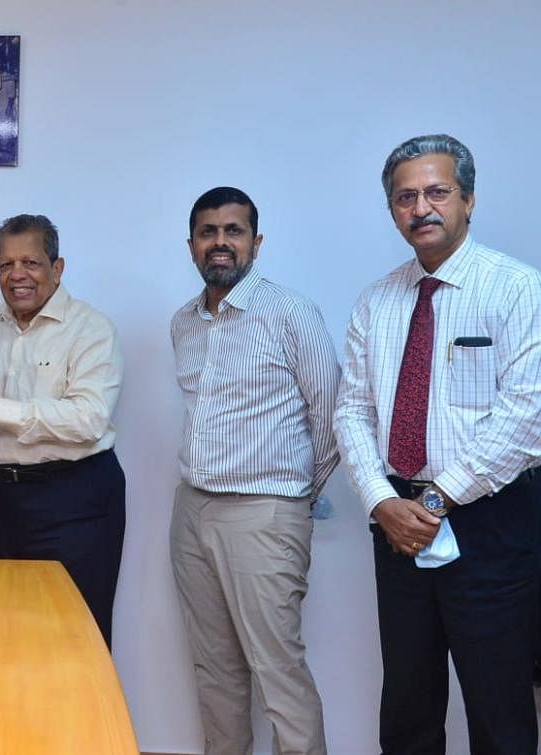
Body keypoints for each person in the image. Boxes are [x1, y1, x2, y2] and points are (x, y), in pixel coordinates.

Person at [334, 134, 541, 753]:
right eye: (405, 196)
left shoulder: (516, 289)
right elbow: (350, 409)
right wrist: (379, 501)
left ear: (469, 201)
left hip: (489, 522)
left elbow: (527, 413)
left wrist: (439, 499)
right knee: (408, 699)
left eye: (437, 192)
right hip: (396, 521)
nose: (420, 207)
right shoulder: (377, 301)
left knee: (498, 701)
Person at [169, 187, 338, 754]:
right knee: (213, 667)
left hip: (264, 513)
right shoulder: (184, 323)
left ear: (255, 242)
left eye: (233, 231)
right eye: (208, 232)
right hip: (192, 509)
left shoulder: (291, 312)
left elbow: (332, 420)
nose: (220, 242)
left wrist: (290, 499)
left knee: (277, 671)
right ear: (192, 244)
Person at [0, 214, 126, 646]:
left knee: (76, 635)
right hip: (0, 498)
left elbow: (89, 418)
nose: (17, 276)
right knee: (7, 632)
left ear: (57, 267)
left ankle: (82, 717)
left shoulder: (91, 329)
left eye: (30, 262)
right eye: (5, 265)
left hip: (74, 499)